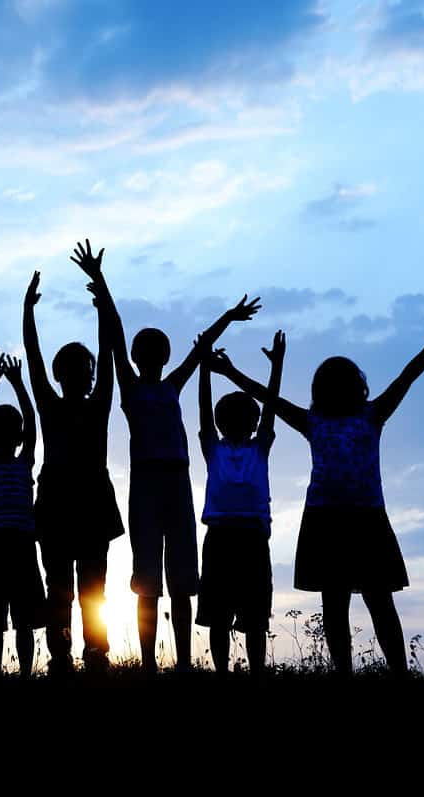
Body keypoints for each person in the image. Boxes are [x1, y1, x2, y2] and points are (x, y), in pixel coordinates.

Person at [212, 313, 424, 677]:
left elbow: (406, 376)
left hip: (343, 519)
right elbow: (405, 377)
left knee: (364, 602)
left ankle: (384, 674)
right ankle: (373, 675)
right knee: (354, 603)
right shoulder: (346, 417)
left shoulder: (354, 416)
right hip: (343, 519)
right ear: (356, 386)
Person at [72, 238, 260, 673]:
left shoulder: (172, 384)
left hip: (176, 481)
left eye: (158, 352)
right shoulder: (132, 387)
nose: (152, 356)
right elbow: (116, 335)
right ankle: (150, 665)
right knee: (147, 580)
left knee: (181, 579)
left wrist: (229, 318)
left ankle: (182, 665)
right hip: (147, 482)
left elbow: (200, 349)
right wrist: (100, 281)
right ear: (139, 358)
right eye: (147, 352)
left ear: (163, 356)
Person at [22, 266, 123, 674]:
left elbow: (108, 346)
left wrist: (102, 293)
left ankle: (95, 652)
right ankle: (64, 654)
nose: (83, 371)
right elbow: (33, 355)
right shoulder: (52, 403)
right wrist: (27, 311)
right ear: (63, 374)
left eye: (86, 366)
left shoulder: (96, 403)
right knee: (62, 587)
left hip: (88, 501)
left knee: (89, 587)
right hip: (60, 501)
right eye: (77, 366)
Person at [196, 331, 284, 676]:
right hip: (222, 537)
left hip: (248, 538)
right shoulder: (214, 448)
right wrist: (204, 369)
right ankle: (222, 673)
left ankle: (257, 672)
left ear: (252, 423)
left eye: (246, 419)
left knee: (255, 615)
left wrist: (276, 368)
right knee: (220, 615)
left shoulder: (258, 447)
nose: (240, 424)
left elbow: (271, 407)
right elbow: (204, 410)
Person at [0, 350, 46, 678]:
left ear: (16, 439)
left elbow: (32, 423)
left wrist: (17, 383)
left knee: (25, 620)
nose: (3, 438)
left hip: (21, 544)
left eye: (9, 432)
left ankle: (25, 673)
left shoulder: (23, 462)